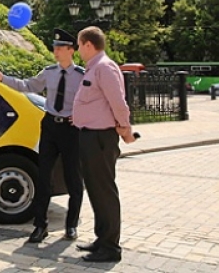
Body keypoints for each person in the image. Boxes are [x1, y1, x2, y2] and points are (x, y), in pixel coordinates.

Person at [0, 28, 85, 243]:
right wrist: (2, 78)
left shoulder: (81, 76)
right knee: (43, 176)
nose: (55, 51)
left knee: (73, 177)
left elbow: (91, 100)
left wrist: (81, 116)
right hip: (50, 126)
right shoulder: (49, 72)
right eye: (54, 47)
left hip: (71, 129)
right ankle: (40, 225)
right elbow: (27, 86)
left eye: (60, 48)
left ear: (71, 50)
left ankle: (71, 225)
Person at [72, 26, 136, 263]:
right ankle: (102, 238)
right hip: (90, 136)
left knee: (104, 190)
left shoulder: (104, 67)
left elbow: (118, 102)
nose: (78, 50)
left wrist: (125, 128)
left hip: (100, 138)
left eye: (79, 45)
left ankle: (111, 247)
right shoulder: (94, 67)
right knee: (95, 189)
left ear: (88, 44)